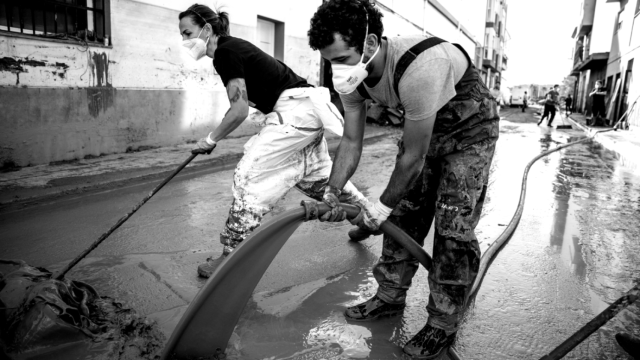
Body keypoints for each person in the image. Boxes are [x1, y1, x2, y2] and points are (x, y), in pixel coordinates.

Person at [308, 1, 499, 357]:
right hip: (422, 125)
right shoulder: (352, 79)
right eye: (329, 61)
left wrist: (379, 208)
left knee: (452, 224)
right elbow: (351, 141)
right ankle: (389, 296)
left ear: (369, 44)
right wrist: (332, 192)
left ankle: (442, 322)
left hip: (470, 128)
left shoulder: (421, 67)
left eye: (342, 59)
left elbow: (413, 158)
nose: (337, 70)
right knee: (406, 212)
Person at [179, 3, 368, 278]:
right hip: (305, 113)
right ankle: (365, 217)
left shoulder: (225, 52)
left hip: (295, 113)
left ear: (207, 29)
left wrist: (210, 139)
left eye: (187, 33)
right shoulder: (233, 48)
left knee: (249, 177)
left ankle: (230, 257)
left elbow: (239, 109)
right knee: (313, 176)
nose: (185, 41)